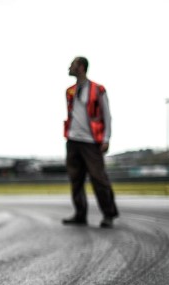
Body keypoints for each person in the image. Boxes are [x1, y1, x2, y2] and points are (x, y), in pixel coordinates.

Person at [63, 56, 118, 228]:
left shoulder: (98, 89)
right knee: (75, 179)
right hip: (73, 140)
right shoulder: (70, 91)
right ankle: (80, 214)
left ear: (80, 67)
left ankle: (108, 214)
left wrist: (106, 138)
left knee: (99, 178)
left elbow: (106, 115)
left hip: (91, 141)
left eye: (72, 65)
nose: (69, 68)